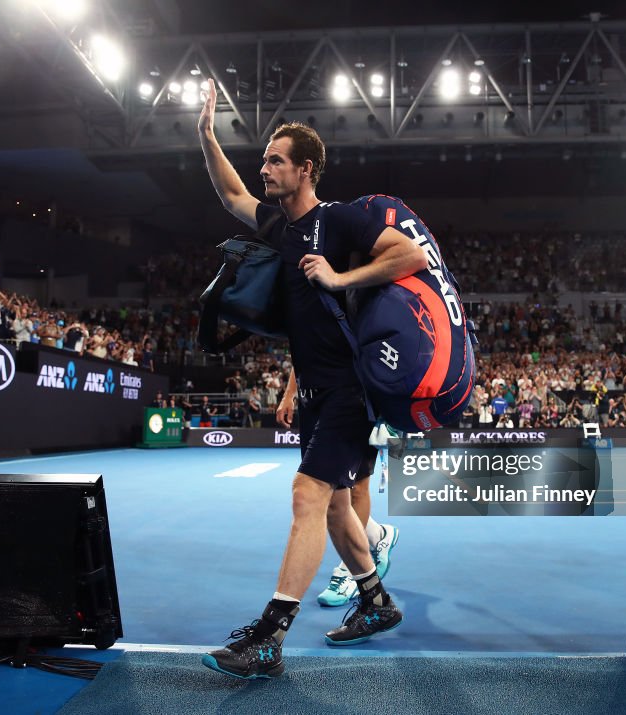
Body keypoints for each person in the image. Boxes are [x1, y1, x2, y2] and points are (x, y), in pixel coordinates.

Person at [197, 77, 425, 679]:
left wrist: (340, 278)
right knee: (332, 509)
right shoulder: (280, 227)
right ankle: (375, 602)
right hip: (317, 390)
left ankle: (269, 637)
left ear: (305, 169)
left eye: (275, 160)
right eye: (264, 159)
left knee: (308, 497)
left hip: (352, 387)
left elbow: (410, 256)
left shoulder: (341, 221)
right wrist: (205, 136)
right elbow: (230, 195)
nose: (264, 168)